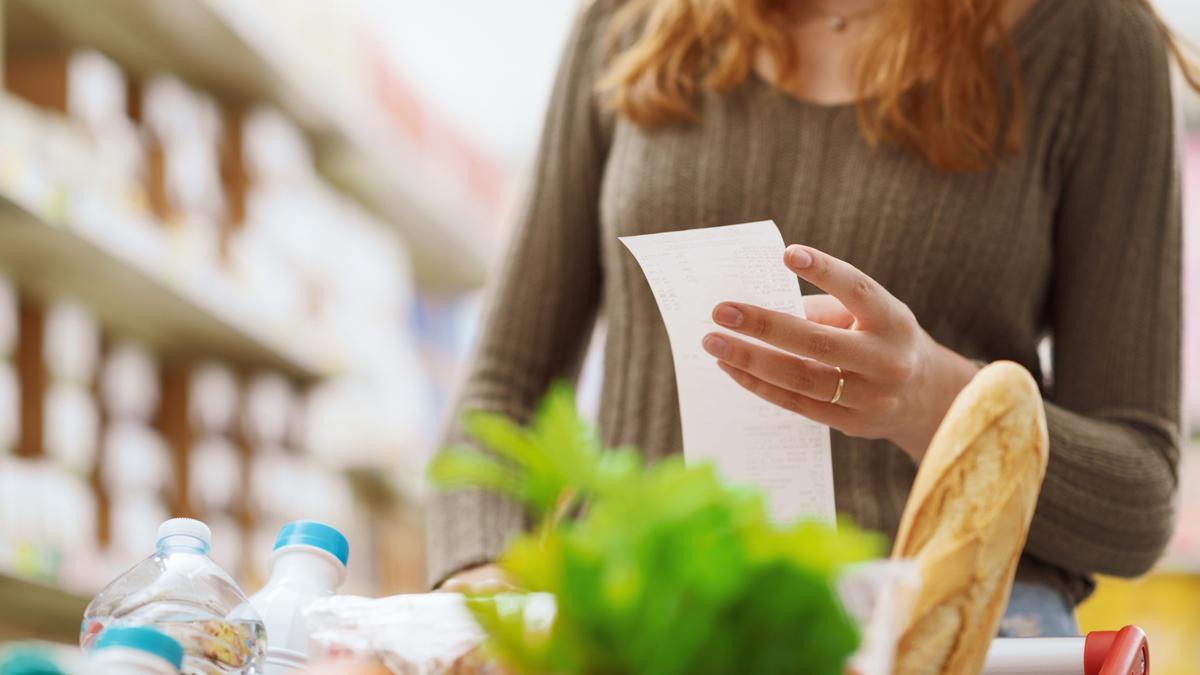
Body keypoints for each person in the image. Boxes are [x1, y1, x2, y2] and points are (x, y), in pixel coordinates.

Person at [428, 0, 1197, 637]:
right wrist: (482, 586)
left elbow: (1137, 501)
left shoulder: (1094, 39)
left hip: (942, 638)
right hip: (648, 626)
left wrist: (935, 399)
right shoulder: (628, 19)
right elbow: (502, 393)